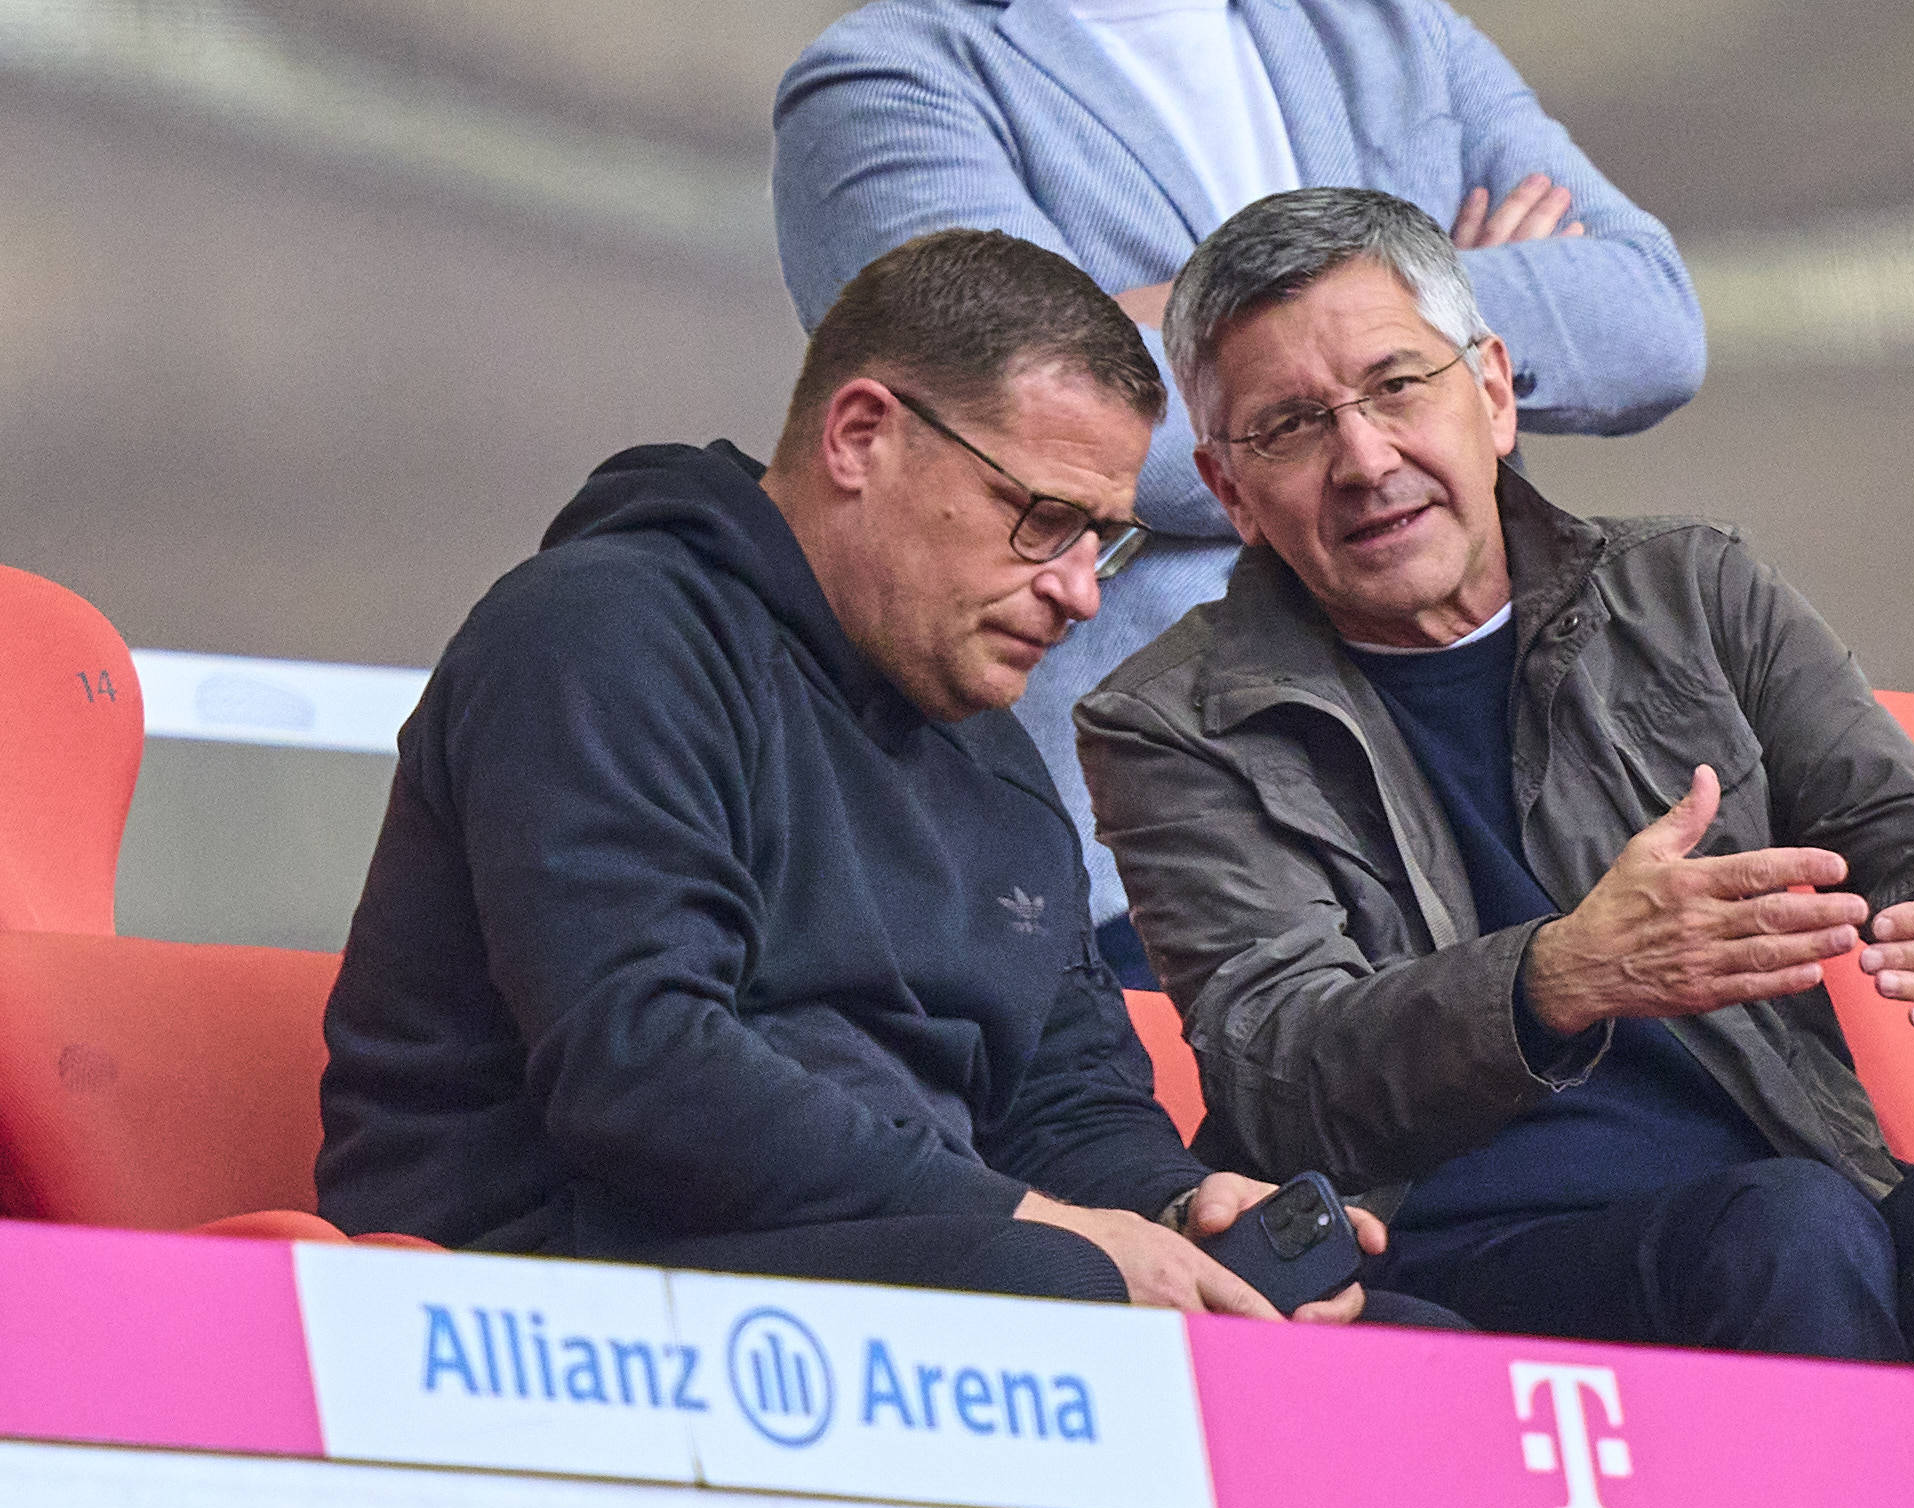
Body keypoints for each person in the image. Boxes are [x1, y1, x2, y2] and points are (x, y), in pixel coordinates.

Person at [1076, 189, 1914, 1373]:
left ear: (1490, 392)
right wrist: (1560, 975)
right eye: (1291, 427)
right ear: (1229, 492)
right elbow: (1278, 1068)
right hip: (1442, 1249)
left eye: (1397, 387)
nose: (1365, 459)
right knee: (1786, 1230)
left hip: (1788, 1199)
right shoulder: (1167, 722)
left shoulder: (1693, 592)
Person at [316, 227, 1445, 1329]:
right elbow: (643, 1071)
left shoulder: (990, 744)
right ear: (861, 435)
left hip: (909, 1258)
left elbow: (1066, 1101)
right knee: (1063, 1296)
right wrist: (1045, 1225)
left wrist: (1177, 1209)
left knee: (1407, 1346)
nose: (1079, 593)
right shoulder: (600, 633)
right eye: (1043, 521)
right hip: (551, 1279)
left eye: (1103, 540)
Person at [772, 0, 1707, 983]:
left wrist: (1158, 324)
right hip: (1168, 857)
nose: (1363, 458)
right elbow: (1017, 421)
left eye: (1396, 375)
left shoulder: (1387, 25)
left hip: (1505, 809)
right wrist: (1427, 296)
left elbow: (1649, 322)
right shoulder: (882, 83)